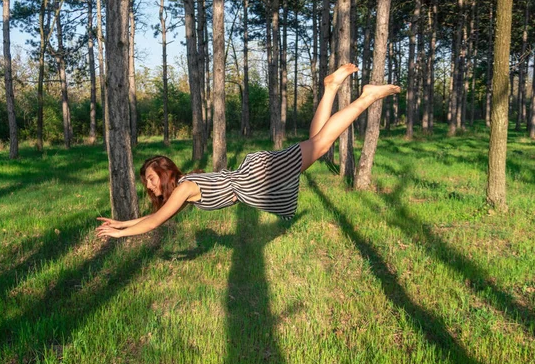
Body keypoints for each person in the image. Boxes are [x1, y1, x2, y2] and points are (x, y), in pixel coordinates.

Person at [96, 64, 400, 239]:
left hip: (255, 178)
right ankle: (331, 89)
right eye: (146, 181)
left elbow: (156, 221)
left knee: (321, 144)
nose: (148, 185)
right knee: (319, 144)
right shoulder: (185, 185)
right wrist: (122, 223)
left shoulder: (185, 187)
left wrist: (121, 233)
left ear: (165, 173)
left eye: (150, 178)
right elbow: (156, 215)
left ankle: (366, 97)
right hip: (252, 178)